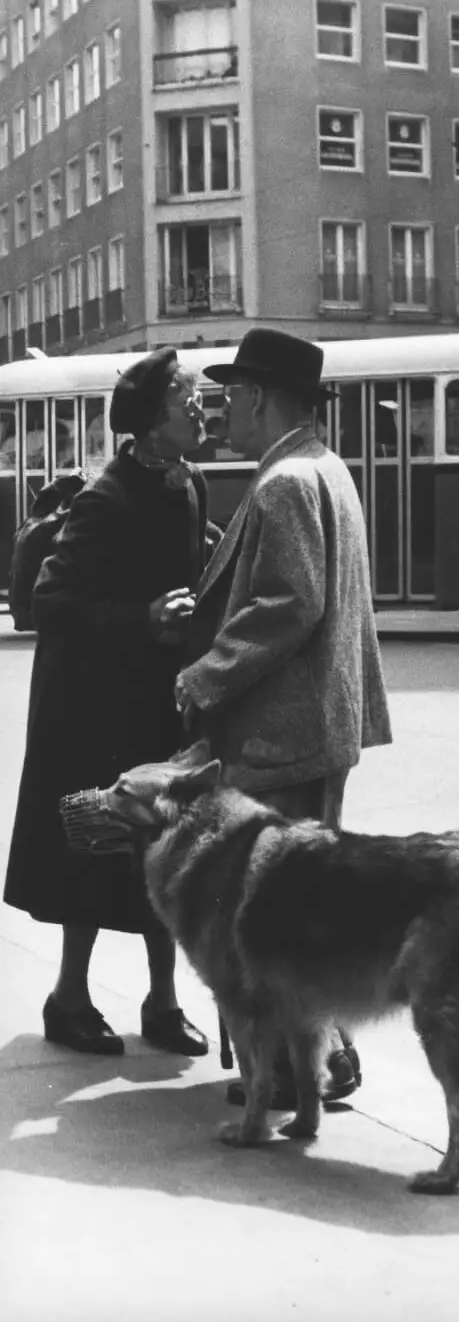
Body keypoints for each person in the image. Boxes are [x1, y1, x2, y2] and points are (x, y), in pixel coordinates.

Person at [174, 328, 392, 1108]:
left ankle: (305, 1068)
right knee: (310, 907)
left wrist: (204, 674)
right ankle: (325, 1060)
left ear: (259, 399)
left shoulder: (283, 484)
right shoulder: (323, 468)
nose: (223, 410)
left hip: (281, 735)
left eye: (231, 396)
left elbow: (287, 605)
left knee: (271, 914)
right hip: (322, 726)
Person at [4, 349, 211, 1058]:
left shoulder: (190, 484)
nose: (201, 407)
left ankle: (162, 1000)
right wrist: (143, 617)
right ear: (154, 420)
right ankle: (69, 998)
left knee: (165, 849)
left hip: (155, 700)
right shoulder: (107, 496)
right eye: (189, 397)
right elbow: (49, 602)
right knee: (90, 855)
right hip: (91, 708)